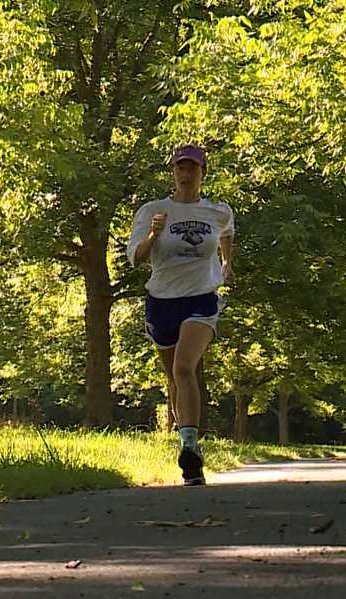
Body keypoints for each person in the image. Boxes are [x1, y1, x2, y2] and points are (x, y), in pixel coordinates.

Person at [127, 144, 234, 486]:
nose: (186, 174)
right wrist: (153, 235)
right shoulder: (153, 210)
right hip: (162, 300)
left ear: (203, 173)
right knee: (174, 379)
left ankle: (190, 449)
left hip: (201, 298)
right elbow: (138, 257)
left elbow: (227, 232)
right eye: (180, 168)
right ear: (173, 172)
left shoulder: (217, 211)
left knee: (184, 367)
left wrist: (226, 261)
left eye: (193, 169)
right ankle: (184, 437)